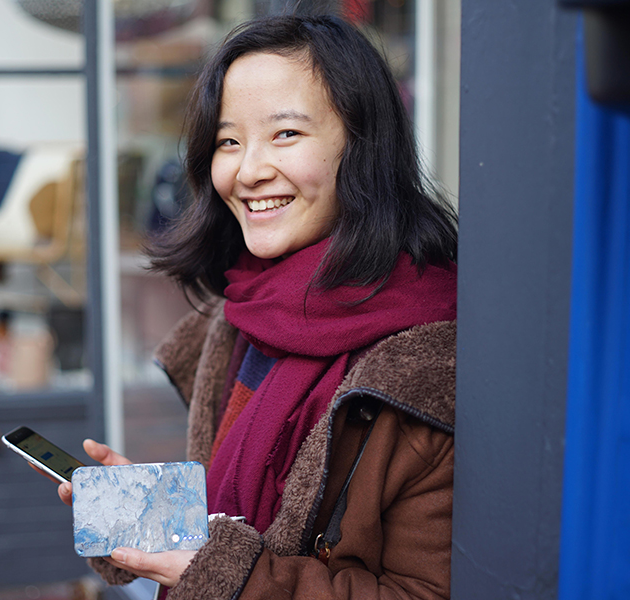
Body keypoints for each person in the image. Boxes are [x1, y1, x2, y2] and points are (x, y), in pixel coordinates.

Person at [57, 13, 458, 599]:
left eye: (286, 134)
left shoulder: (425, 364)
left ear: (364, 147)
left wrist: (220, 573)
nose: (248, 171)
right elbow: (232, 521)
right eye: (229, 141)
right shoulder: (241, 315)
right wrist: (158, 525)